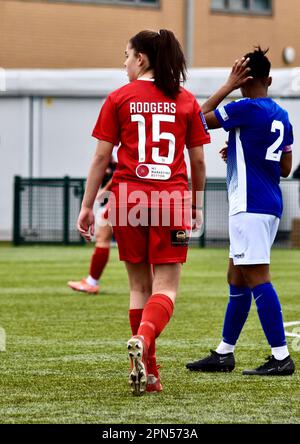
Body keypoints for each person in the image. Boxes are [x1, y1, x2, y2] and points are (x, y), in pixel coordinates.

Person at [77, 29, 210, 395]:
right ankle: (145, 339)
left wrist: (88, 206)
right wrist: (196, 203)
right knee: (166, 289)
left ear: (142, 59)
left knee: (139, 288)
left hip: (127, 200)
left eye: (126, 56)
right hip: (171, 202)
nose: (123, 63)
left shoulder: (119, 98)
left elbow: (101, 157)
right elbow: (198, 161)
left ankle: (150, 374)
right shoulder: (185, 100)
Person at [186, 47, 295, 376]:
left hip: (250, 204)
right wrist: (240, 150)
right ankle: (224, 353)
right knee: (237, 276)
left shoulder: (243, 107)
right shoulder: (281, 113)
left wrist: (227, 86)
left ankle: (281, 357)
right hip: (268, 203)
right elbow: (285, 167)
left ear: (243, 79)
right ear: (269, 79)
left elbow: (197, 118)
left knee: (257, 277)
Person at [67, 159, 116, 295]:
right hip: (127, 197)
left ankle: (92, 282)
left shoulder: (119, 144)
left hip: (120, 198)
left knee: (102, 238)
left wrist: (106, 189)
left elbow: (123, 170)